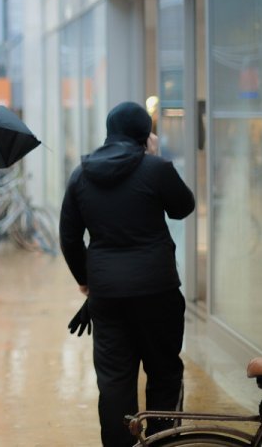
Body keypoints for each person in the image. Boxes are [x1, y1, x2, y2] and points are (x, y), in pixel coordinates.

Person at [59, 101, 195, 447]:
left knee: (115, 382)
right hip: (157, 290)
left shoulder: (81, 175)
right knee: (164, 372)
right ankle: (162, 441)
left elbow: (70, 237)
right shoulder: (156, 169)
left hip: (107, 296)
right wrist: (156, 157)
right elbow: (183, 207)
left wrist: (86, 280)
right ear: (144, 134)